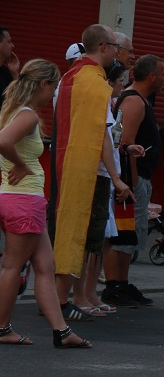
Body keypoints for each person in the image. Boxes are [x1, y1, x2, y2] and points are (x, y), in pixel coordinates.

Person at [0, 58, 89, 348]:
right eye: (54, 87)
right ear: (44, 84)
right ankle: (2, 329)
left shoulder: (11, 110)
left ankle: (61, 332)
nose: (53, 94)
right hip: (23, 200)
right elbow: (2, 142)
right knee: (13, 267)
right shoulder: (26, 115)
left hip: (21, 200)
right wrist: (22, 165)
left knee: (45, 266)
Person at [51, 24, 131, 322]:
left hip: (67, 165)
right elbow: (101, 138)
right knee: (82, 237)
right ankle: (63, 300)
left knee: (69, 232)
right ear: (103, 46)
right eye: (114, 46)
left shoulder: (72, 77)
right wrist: (118, 177)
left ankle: (62, 299)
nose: (117, 52)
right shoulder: (95, 84)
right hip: (87, 171)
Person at [102, 54, 164, 308]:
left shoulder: (140, 100)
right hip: (132, 181)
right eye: (163, 73)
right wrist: (131, 181)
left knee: (131, 235)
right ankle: (113, 286)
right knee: (123, 234)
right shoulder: (134, 102)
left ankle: (122, 283)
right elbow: (123, 143)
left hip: (138, 180)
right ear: (152, 76)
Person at [0, 26, 20, 111]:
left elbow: (20, 99)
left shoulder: (6, 72)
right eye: (9, 42)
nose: (12, 45)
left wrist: (15, 73)